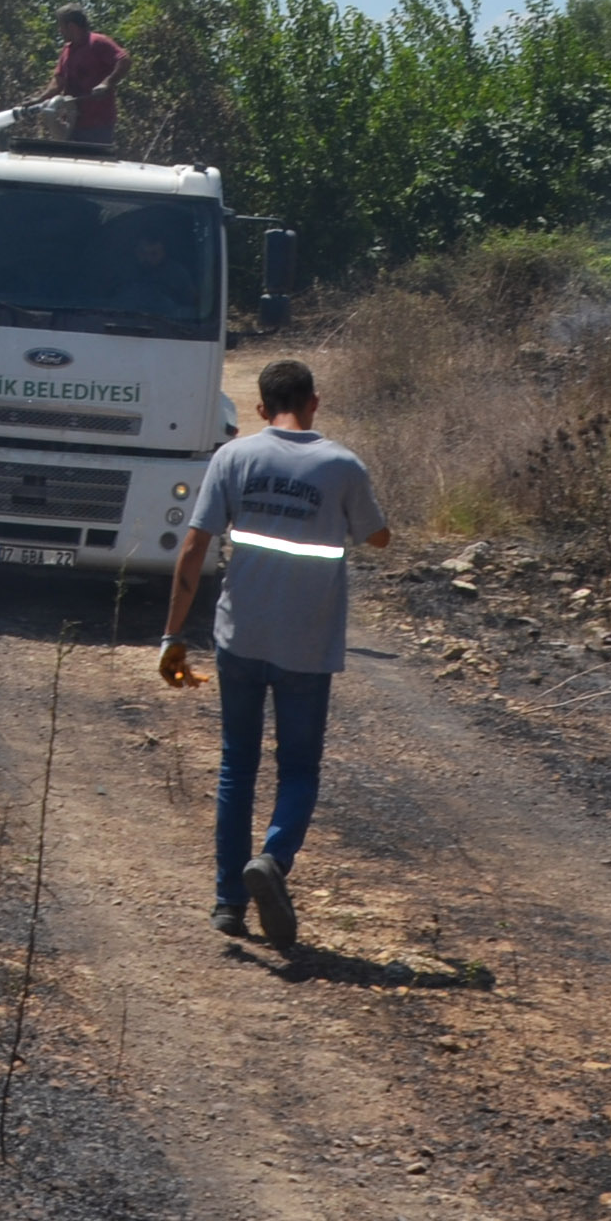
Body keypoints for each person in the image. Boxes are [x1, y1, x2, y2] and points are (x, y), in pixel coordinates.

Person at [153, 357, 390, 948]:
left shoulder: (233, 457)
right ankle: (274, 859)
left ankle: (229, 904)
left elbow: (192, 547)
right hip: (307, 647)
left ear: (261, 409)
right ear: (314, 401)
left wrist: (172, 636)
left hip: (242, 639)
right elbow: (378, 536)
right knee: (300, 767)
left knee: (238, 766)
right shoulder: (341, 465)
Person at [36, 3, 126, 147]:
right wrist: (39, 99)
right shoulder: (67, 50)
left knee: (94, 165)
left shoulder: (97, 42)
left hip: (98, 126)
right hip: (71, 124)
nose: (59, 31)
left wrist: (107, 83)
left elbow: (124, 60)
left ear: (71, 26)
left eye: (61, 26)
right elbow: (58, 83)